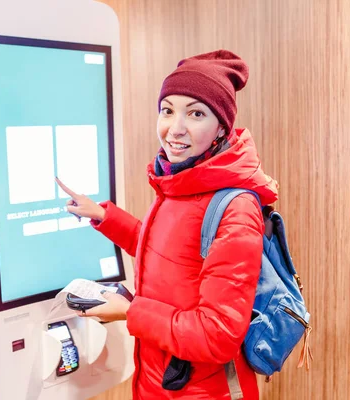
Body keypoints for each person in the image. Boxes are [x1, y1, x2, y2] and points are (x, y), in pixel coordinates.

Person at [58, 50, 278, 399]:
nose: (175, 129)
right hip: (158, 381)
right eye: (168, 110)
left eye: (195, 113)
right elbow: (168, 254)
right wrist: (105, 217)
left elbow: (216, 335)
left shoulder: (234, 207)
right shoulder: (180, 184)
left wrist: (131, 312)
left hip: (203, 390)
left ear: (222, 126)